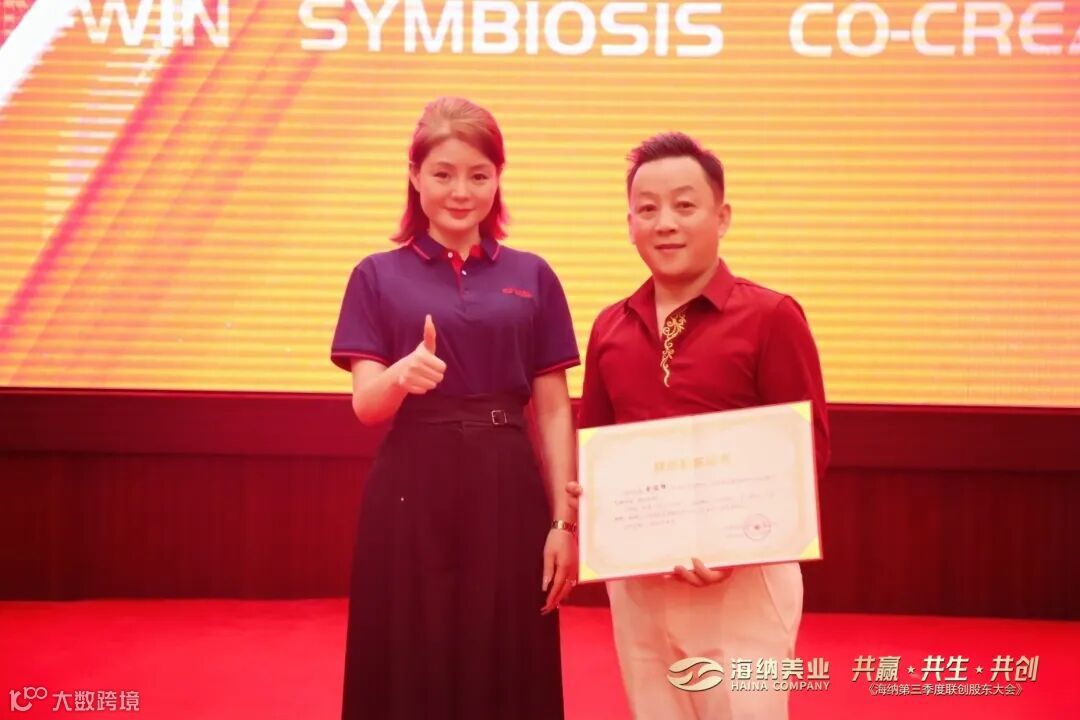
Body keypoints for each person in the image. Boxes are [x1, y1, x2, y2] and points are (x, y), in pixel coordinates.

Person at [330, 97, 579, 720]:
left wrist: (563, 524)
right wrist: (401, 374)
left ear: (498, 178)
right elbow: (366, 405)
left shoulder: (533, 275)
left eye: (478, 175)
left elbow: (553, 410)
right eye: (443, 174)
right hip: (412, 487)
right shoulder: (376, 275)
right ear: (415, 176)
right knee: (411, 653)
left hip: (507, 482)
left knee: (507, 653)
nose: (461, 192)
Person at [571, 132, 830, 719]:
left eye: (685, 205)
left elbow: (806, 450)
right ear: (630, 224)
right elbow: (596, 446)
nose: (665, 223)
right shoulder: (610, 327)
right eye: (647, 208)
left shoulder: (771, 316)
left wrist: (735, 546)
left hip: (744, 580)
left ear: (722, 216)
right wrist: (590, 500)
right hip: (639, 579)